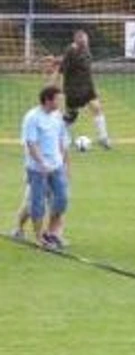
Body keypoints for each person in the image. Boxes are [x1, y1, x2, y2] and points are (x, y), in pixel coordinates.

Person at [21, 86, 69, 250]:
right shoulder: (32, 117)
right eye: (58, 99)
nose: (61, 102)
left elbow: (61, 140)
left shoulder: (57, 117)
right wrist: (42, 163)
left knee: (62, 200)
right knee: (37, 203)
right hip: (37, 169)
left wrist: (63, 162)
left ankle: (51, 233)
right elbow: (31, 143)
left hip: (57, 166)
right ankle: (39, 237)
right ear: (48, 100)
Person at [51, 30, 111, 150]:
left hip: (88, 87)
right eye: (83, 40)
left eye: (86, 40)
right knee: (71, 117)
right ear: (77, 41)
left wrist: (56, 59)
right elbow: (61, 69)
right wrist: (52, 86)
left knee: (97, 108)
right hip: (74, 90)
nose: (85, 42)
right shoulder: (71, 51)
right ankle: (61, 136)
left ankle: (103, 138)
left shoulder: (86, 51)